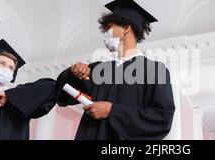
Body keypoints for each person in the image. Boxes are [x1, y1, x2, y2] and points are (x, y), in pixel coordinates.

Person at [56, 0, 175, 140]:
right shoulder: (97, 70)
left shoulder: (154, 70)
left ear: (125, 28)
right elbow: (61, 97)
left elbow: (162, 119)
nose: (105, 34)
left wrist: (113, 111)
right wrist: (72, 72)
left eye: (109, 28)